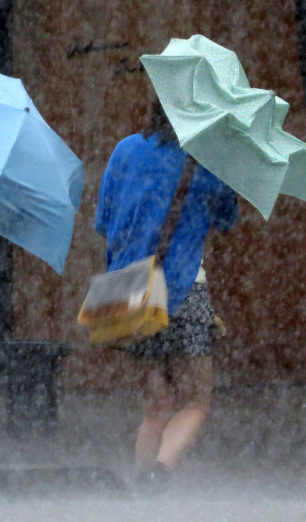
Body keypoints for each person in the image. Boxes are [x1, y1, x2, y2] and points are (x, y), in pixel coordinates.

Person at [95, 99, 239, 488]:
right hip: (184, 292)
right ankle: (160, 474)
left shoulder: (125, 150)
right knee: (194, 402)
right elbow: (227, 220)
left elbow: (103, 221)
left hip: (130, 291)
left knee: (155, 408)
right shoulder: (210, 164)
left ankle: (142, 493)